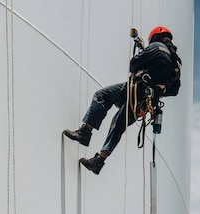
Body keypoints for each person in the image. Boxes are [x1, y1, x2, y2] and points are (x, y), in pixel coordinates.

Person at [63, 25, 182, 175]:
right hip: (146, 102)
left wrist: (143, 66)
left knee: (102, 96)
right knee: (118, 125)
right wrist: (157, 86)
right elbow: (174, 90)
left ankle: (85, 132)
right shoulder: (176, 62)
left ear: (155, 38)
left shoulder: (156, 47)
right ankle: (99, 161)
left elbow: (133, 64)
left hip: (135, 90)